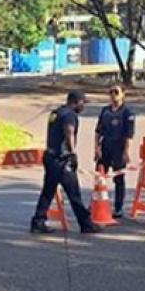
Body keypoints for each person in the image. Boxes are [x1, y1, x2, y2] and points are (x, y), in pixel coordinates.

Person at [32, 90, 102, 234]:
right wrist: (72, 153)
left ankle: (38, 221)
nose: (83, 106)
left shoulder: (56, 113)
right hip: (62, 160)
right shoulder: (70, 115)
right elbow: (69, 132)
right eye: (82, 103)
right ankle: (86, 224)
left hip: (50, 157)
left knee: (48, 191)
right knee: (74, 193)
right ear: (76, 102)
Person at [94, 84, 136, 216]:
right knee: (100, 177)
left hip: (119, 148)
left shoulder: (128, 113)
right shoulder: (105, 111)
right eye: (111, 92)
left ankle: (118, 208)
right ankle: (96, 204)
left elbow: (129, 135)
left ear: (123, 94)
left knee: (119, 179)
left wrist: (126, 152)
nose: (113, 95)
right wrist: (96, 148)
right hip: (105, 147)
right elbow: (98, 131)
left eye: (116, 92)